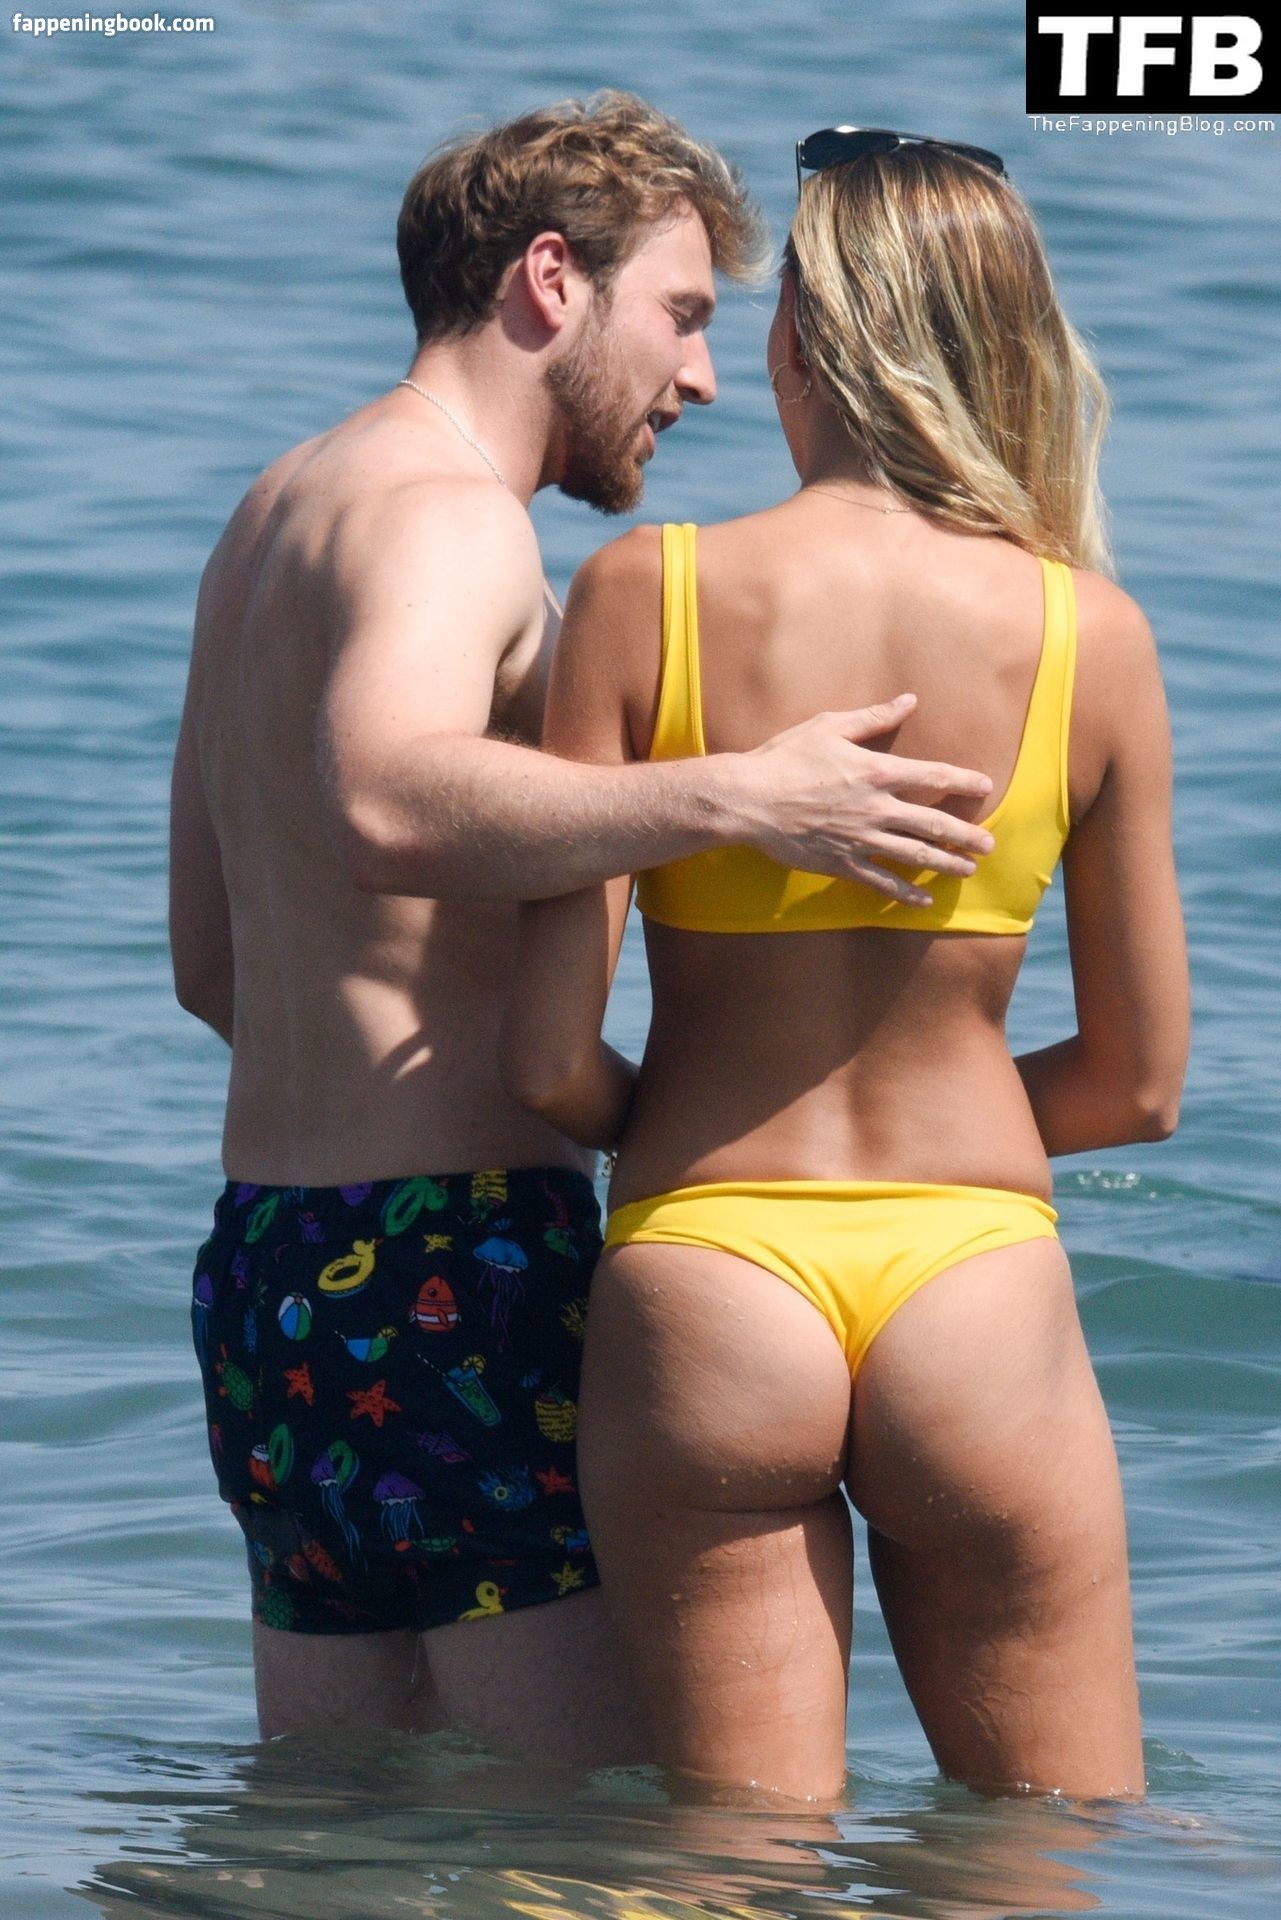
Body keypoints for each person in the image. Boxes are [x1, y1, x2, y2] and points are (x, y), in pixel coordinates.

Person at [169, 97, 998, 1759]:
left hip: (273, 1272)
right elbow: (385, 798)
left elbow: (210, 961)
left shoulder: (279, 507)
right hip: (455, 1259)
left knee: (333, 1829)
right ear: (551, 280)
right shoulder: (447, 514)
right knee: (579, 1842)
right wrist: (739, 795)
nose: (701, 377)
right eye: (680, 314)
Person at [502, 126, 1191, 1801]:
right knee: (1044, 1846)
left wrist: (702, 1129)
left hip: (708, 1277)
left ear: (800, 340)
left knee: (731, 1874)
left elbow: (545, 1062)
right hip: (974, 1284)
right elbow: (1137, 1087)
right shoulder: (1086, 632)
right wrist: (951, 1138)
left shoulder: (643, 592)